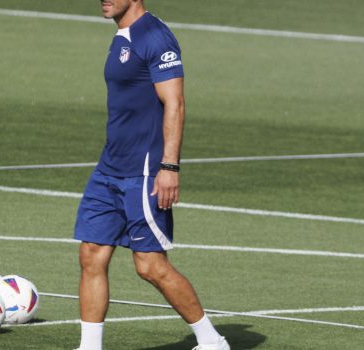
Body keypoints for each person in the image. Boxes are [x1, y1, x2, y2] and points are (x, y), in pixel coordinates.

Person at [74, 1, 230, 349]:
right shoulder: (121, 36)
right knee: (91, 255)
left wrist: (169, 167)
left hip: (143, 172)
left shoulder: (156, 37)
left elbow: (175, 103)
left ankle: (211, 341)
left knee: (150, 266)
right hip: (109, 169)